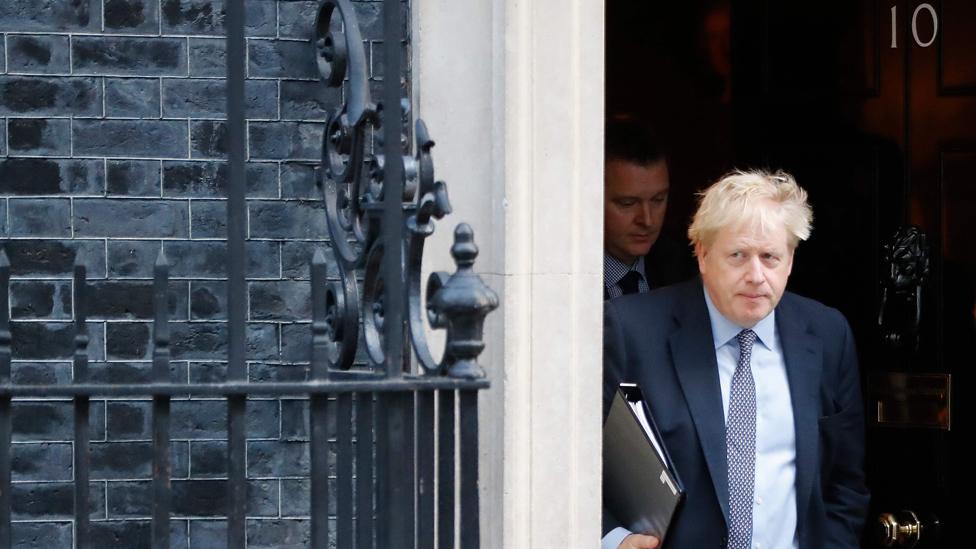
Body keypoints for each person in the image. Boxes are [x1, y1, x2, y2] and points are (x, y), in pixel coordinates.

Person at [602, 170, 869, 549]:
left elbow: (845, 483)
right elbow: (576, 459)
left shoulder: (827, 335)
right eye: (738, 256)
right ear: (703, 254)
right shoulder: (632, 330)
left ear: (790, 260)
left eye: (770, 257)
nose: (756, 276)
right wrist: (616, 539)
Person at [604, 121, 696, 300]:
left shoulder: (687, 271)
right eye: (627, 203)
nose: (647, 220)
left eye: (658, 200)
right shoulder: (563, 276)